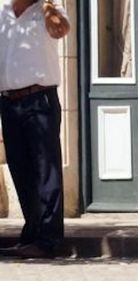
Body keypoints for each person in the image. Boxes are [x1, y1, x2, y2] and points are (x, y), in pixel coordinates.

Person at [0, 0, 70, 259]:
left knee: (45, 171)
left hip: (39, 100)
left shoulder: (49, 10)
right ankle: (32, 234)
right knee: (21, 170)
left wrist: (48, 6)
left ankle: (50, 240)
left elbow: (60, 30)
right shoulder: (2, 12)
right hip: (8, 101)